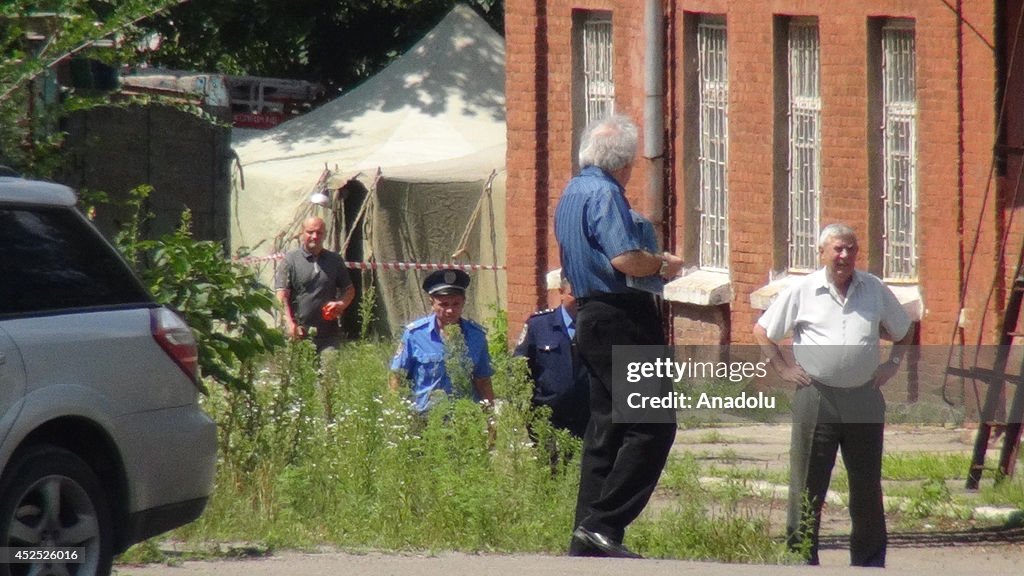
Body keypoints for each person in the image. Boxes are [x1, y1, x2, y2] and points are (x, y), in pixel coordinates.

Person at [554, 114, 685, 559]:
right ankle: (604, 524)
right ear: (625, 163)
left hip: (590, 316)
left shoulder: (572, 191)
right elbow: (626, 259)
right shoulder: (606, 193)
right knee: (653, 424)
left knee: (607, 428)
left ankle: (584, 539)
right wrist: (662, 263)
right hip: (622, 316)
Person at [753, 223, 913, 567]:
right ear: (822, 252)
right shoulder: (804, 290)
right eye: (837, 249)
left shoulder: (873, 288)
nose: (844, 256)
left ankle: (869, 561)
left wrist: (893, 364)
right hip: (818, 397)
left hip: (864, 398)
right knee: (807, 483)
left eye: (850, 249)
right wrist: (782, 369)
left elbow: (903, 328)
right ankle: (800, 557)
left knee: (867, 484)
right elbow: (763, 331)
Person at [389, 269, 495, 413]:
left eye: (456, 304)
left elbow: (483, 381)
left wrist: (490, 417)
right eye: (444, 304)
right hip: (425, 418)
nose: (450, 310)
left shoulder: (476, 336)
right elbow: (397, 376)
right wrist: (396, 412)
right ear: (432, 303)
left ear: (464, 302)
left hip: (464, 418)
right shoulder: (415, 334)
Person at [514, 270, 589, 439]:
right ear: (561, 293)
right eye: (574, 295)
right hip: (547, 421)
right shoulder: (539, 325)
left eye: (586, 295)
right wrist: (523, 411)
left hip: (588, 420)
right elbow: (519, 369)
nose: (581, 301)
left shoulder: (597, 326)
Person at [275, 216, 355, 353]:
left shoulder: (334, 260)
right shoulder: (291, 260)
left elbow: (349, 290)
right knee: (300, 373)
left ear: (325, 234)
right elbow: (281, 295)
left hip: (329, 336)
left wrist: (341, 304)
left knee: (329, 369)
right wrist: (289, 323)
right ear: (302, 233)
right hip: (299, 334)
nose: (315, 236)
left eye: (319, 233)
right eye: (310, 232)